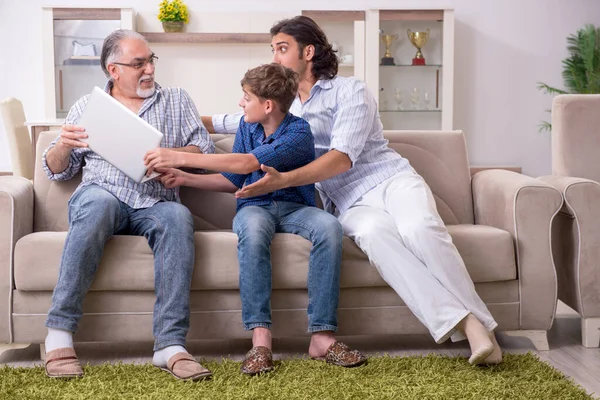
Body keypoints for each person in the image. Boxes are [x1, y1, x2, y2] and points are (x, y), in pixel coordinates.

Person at [203, 16, 502, 365]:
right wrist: (188, 119)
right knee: (376, 239)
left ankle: (481, 327)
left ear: (308, 52)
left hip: (389, 180)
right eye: (273, 50)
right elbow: (235, 117)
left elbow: (341, 159)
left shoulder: (351, 91)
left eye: (282, 49)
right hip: (346, 202)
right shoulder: (286, 108)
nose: (275, 58)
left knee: (419, 229)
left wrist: (284, 180)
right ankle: (468, 323)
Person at [144, 63, 367, 375]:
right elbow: (237, 179)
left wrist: (179, 156)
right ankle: (261, 341)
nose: (240, 103)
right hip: (255, 206)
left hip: (295, 208)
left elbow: (248, 162)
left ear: (268, 105)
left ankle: (322, 336)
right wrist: (183, 177)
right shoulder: (248, 128)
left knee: (329, 226)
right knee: (252, 228)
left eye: (246, 98)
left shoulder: (299, 132)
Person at [42, 29, 214, 381]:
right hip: (103, 192)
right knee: (97, 206)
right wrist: (62, 145)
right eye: (139, 63)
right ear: (113, 69)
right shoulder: (87, 107)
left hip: (157, 199)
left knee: (178, 217)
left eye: (151, 60)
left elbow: (205, 154)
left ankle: (170, 344)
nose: (149, 69)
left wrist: (174, 157)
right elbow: (58, 171)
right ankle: (58, 334)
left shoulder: (177, 100)